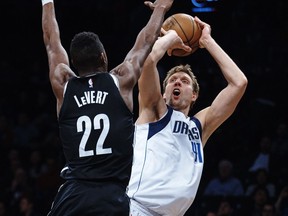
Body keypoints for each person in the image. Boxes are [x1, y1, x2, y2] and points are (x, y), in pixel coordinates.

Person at [40, 0, 174, 215]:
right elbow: (145, 42)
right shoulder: (120, 81)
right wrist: (161, 8)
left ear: (73, 62)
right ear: (103, 56)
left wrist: (47, 2)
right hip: (112, 198)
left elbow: (51, 42)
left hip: (73, 195)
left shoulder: (64, 87)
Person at [127, 16, 248, 216]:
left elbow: (239, 83)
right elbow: (147, 61)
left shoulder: (200, 126)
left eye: (184, 81)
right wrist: (170, 38)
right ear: (163, 93)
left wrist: (207, 41)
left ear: (194, 95)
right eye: (172, 80)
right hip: (139, 209)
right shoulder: (154, 111)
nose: (177, 83)